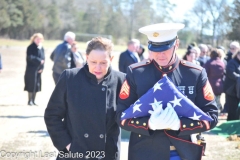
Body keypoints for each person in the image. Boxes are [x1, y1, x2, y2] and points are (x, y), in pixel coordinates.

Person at [116, 23, 218, 160]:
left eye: (166, 48)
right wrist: (149, 123)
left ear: (176, 44)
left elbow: (211, 116)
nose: (160, 55)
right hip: (144, 152)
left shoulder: (194, 74)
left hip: (182, 152)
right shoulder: (136, 73)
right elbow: (121, 116)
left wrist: (180, 124)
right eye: (155, 49)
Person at [44, 37, 125, 160]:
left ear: (111, 59)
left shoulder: (121, 80)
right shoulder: (70, 78)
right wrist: (67, 145)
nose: (98, 68)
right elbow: (52, 115)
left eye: (103, 63)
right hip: (76, 152)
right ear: (86, 57)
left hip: (108, 153)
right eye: (93, 62)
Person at [24, 33, 45, 106]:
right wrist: (39, 61)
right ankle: (29, 100)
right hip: (31, 69)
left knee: (37, 84)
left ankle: (34, 100)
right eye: (37, 39)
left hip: (38, 69)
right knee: (31, 84)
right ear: (34, 39)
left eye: (40, 39)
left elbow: (43, 59)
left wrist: (42, 68)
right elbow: (30, 57)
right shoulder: (30, 47)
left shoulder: (41, 48)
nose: (39, 40)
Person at [223, 51, 240, 120]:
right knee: (233, 110)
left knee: (237, 110)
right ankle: (230, 125)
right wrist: (238, 77)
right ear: (238, 55)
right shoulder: (232, 62)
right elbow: (230, 73)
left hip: (237, 90)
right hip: (231, 90)